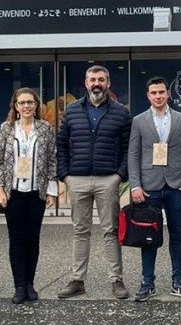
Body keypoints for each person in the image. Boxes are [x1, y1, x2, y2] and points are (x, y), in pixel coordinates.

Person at [56, 65, 132, 300]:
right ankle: (78, 280)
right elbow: (62, 145)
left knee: (111, 230)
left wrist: (119, 175)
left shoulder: (121, 112)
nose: (96, 83)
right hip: (77, 179)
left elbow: (129, 148)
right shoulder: (72, 110)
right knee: (80, 231)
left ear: (108, 83)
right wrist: (65, 176)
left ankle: (116, 280)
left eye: (101, 79)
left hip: (108, 179)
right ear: (86, 83)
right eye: (92, 80)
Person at [128, 76, 181, 302]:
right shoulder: (138, 121)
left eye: (161, 92)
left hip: (176, 185)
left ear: (168, 94)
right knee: (148, 237)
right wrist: (135, 185)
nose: (158, 96)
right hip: (149, 187)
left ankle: (179, 280)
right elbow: (134, 154)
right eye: (153, 93)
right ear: (148, 96)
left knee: (177, 235)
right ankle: (148, 282)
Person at [0, 87, 58, 304]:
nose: (27, 106)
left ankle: (30, 283)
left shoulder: (46, 128)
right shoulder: (7, 128)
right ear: (16, 106)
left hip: (36, 192)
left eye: (30, 102)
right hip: (14, 193)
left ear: (36, 105)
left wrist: (51, 191)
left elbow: (51, 161)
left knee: (33, 238)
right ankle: (19, 285)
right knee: (16, 239)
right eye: (22, 103)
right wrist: (0, 189)